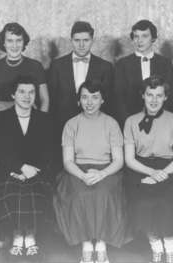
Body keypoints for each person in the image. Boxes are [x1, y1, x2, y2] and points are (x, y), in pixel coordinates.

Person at [53, 80, 130, 263]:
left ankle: (102, 244)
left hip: (106, 170)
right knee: (80, 195)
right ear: (79, 100)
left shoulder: (111, 123)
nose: (90, 102)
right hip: (77, 170)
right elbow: (68, 161)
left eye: (95, 97)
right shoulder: (71, 124)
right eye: (85, 97)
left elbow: (119, 160)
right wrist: (83, 175)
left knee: (104, 193)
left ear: (102, 100)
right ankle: (86, 245)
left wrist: (101, 174)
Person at [0, 75, 54, 263]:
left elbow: (49, 151)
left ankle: (31, 240)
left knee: (34, 192)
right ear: (13, 94)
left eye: (31, 92)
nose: (27, 96)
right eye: (22, 92)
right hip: (9, 172)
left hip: (37, 172)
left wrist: (32, 170)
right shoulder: (1, 118)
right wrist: (18, 168)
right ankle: (17, 240)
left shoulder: (44, 119)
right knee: (11, 191)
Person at [124, 75, 173, 263]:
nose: (154, 100)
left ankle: (171, 246)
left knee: (167, 201)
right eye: (150, 95)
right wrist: (151, 173)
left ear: (166, 97)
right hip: (140, 168)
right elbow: (129, 159)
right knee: (142, 202)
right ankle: (156, 247)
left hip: (169, 168)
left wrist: (162, 174)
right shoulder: (131, 121)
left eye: (159, 95)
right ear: (142, 95)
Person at [48, 21, 113, 170]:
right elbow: (52, 100)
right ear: (71, 40)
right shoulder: (57, 66)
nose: (81, 45)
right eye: (77, 40)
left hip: (94, 125)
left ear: (92, 40)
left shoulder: (105, 67)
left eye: (86, 40)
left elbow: (108, 101)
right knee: (62, 169)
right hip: (62, 125)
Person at [0, 22, 49, 123]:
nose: (14, 45)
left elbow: (45, 100)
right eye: (10, 41)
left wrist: (39, 122)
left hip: (29, 117)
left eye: (18, 40)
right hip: (1, 118)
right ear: (3, 43)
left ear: (24, 42)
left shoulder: (36, 66)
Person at [114, 19, 173, 126]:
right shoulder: (122, 64)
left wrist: (161, 122)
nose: (139, 40)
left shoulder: (165, 63)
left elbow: (170, 96)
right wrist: (128, 123)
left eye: (144, 36)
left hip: (160, 123)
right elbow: (119, 98)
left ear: (153, 38)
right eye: (136, 36)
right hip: (130, 122)